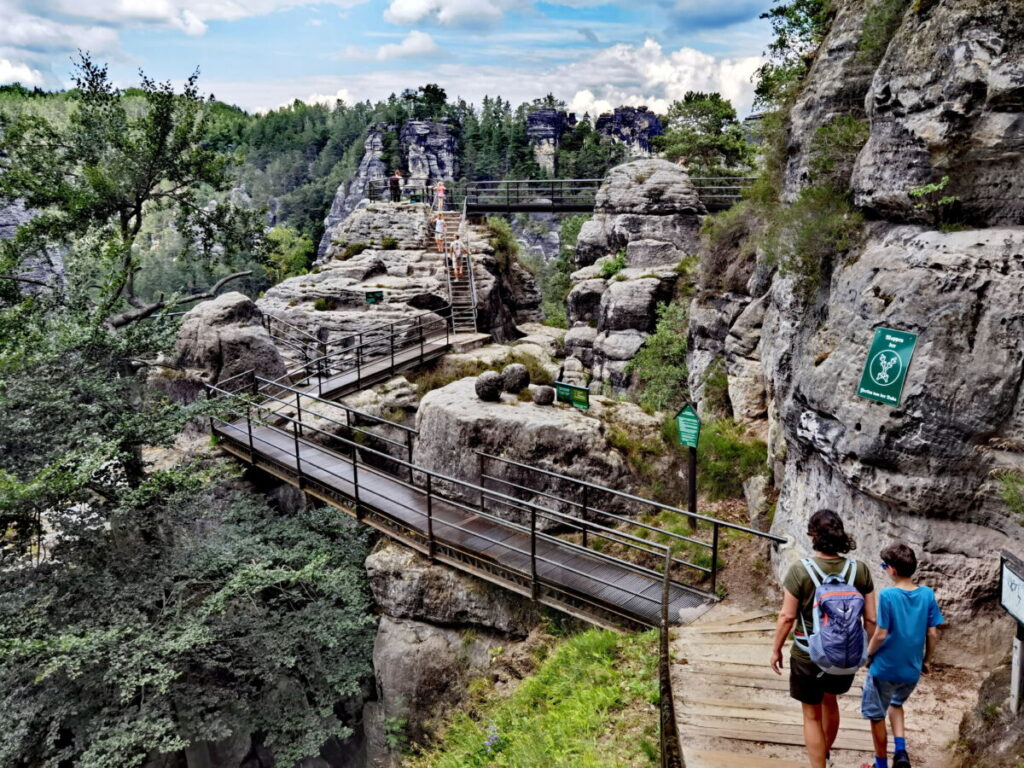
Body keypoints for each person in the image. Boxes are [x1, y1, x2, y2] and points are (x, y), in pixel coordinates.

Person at [770, 509, 877, 768]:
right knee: (830, 701)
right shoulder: (859, 570)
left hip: (808, 655)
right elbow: (872, 619)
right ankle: (825, 754)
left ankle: (818, 764)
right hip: (845, 656)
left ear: (813, 535)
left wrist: (776, 650)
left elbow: (786, 617)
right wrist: (870, 652)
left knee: (811, 715)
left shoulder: (800, 571)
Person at [860, 543, 943, 768]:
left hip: (884, 669)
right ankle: (901, 752)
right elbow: (933, 633)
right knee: (896, 703)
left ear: (892, 570)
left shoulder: (888, 595)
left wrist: (867, 656)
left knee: (876, 715)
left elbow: (880, 633)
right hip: (911, 670)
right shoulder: (927, 594)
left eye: (884, 566)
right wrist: (926, 661)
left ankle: (880, 764)